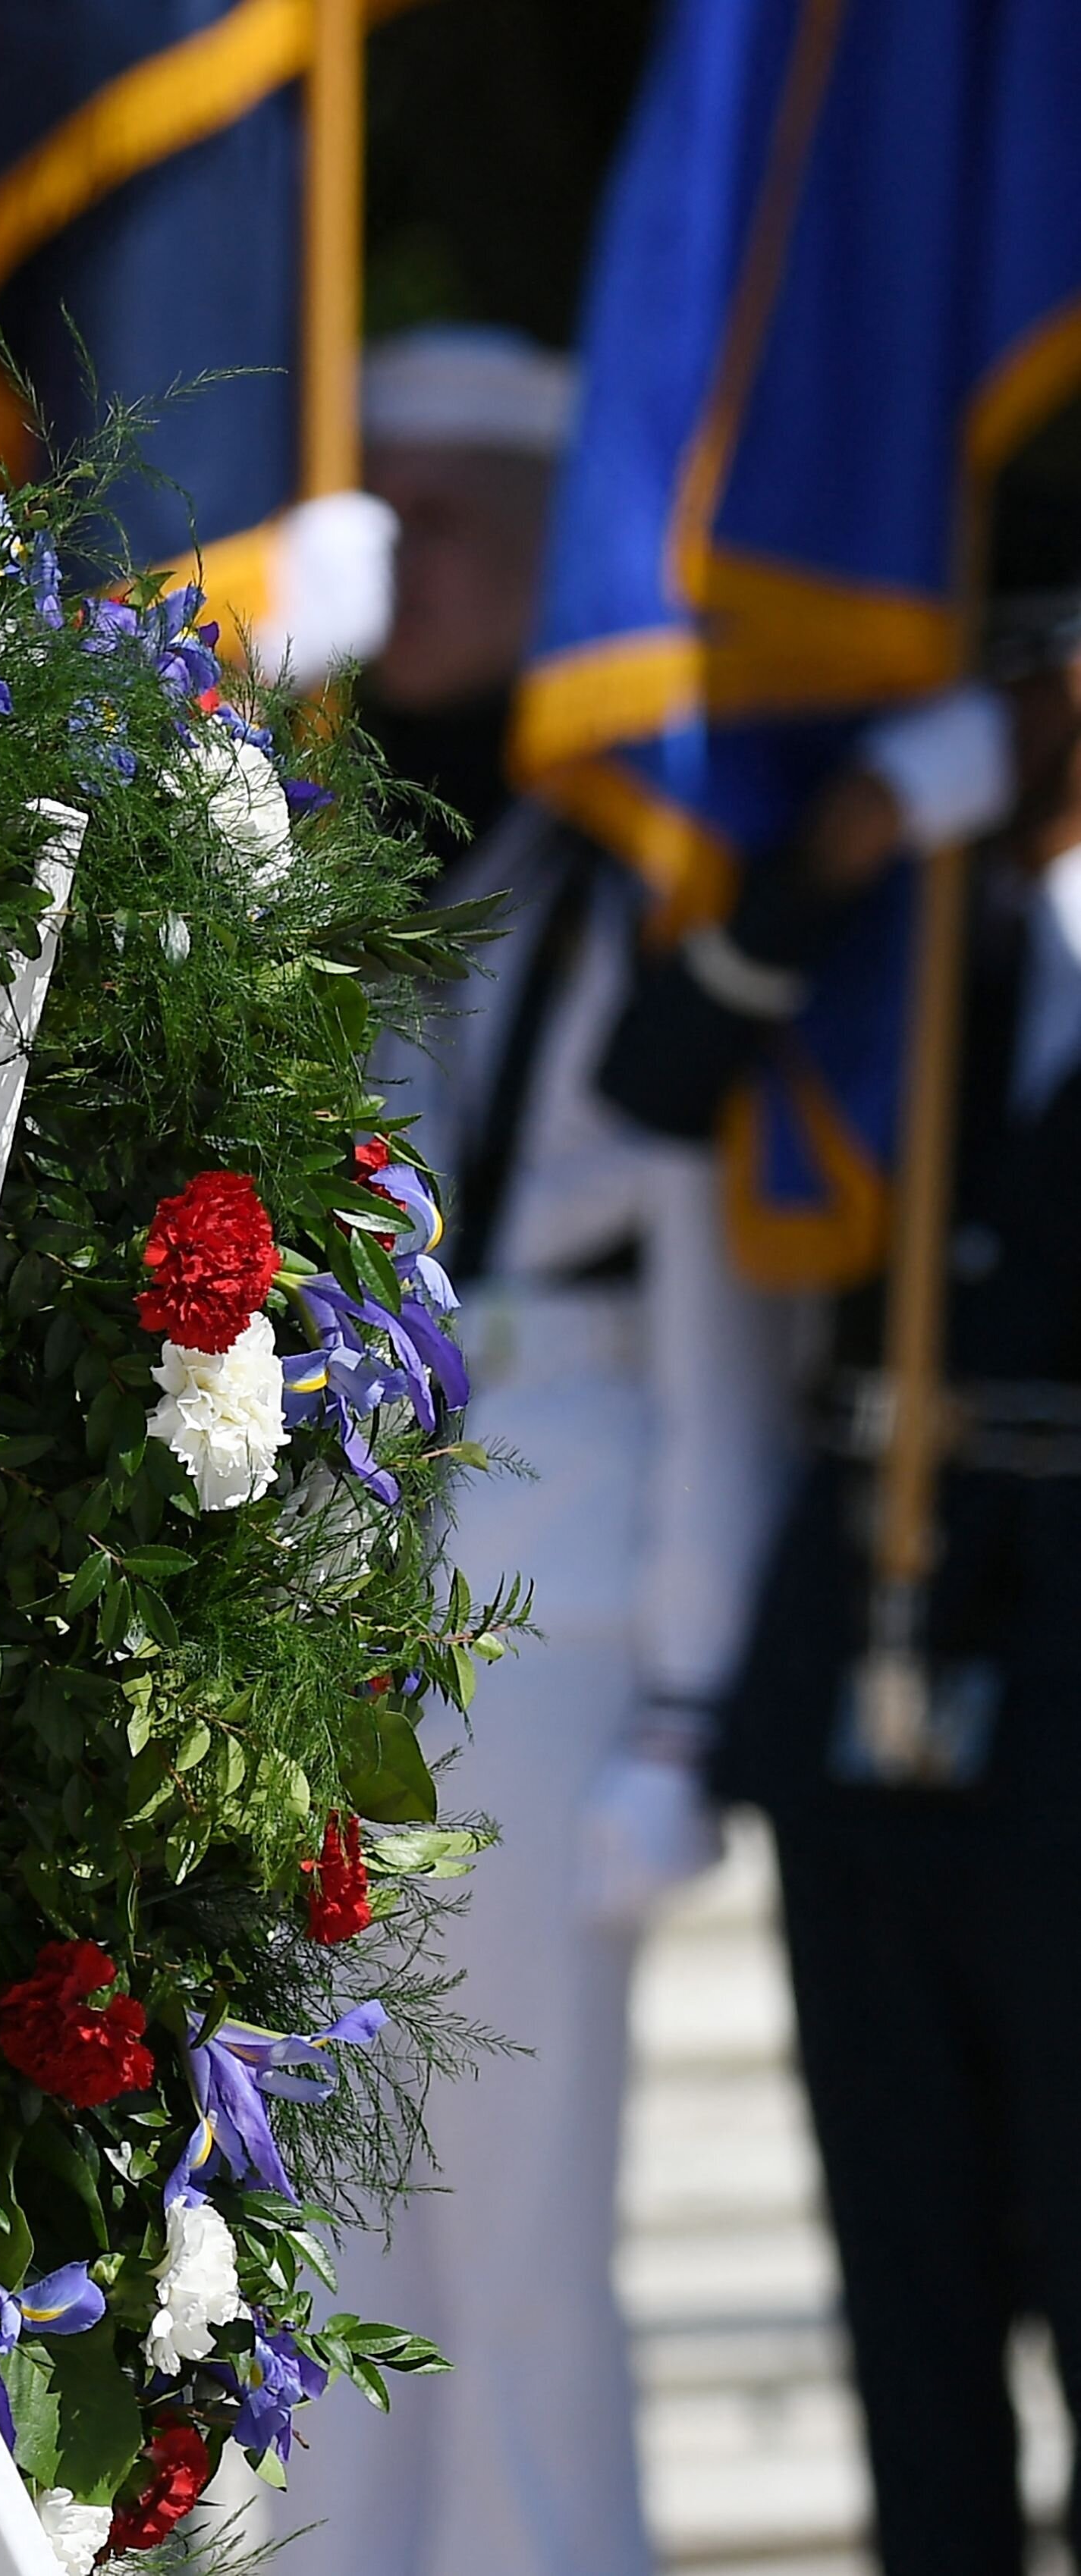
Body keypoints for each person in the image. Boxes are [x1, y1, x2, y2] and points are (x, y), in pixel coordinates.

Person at [288, 326, 795, 2576]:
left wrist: (691, 1692)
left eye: (461, 519)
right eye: (381, 515)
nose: (421, 568)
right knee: (322, 2222)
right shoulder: (301, 844)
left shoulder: (629, 871)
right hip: (324, 1600)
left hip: (560, 1595)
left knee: (514, 2229)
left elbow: (710, 1313)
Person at [598, 598, 1081, 2576]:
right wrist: (857, 843)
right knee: (901, 2248)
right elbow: (659, 1070)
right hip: (864, 1615)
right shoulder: (905, 928)